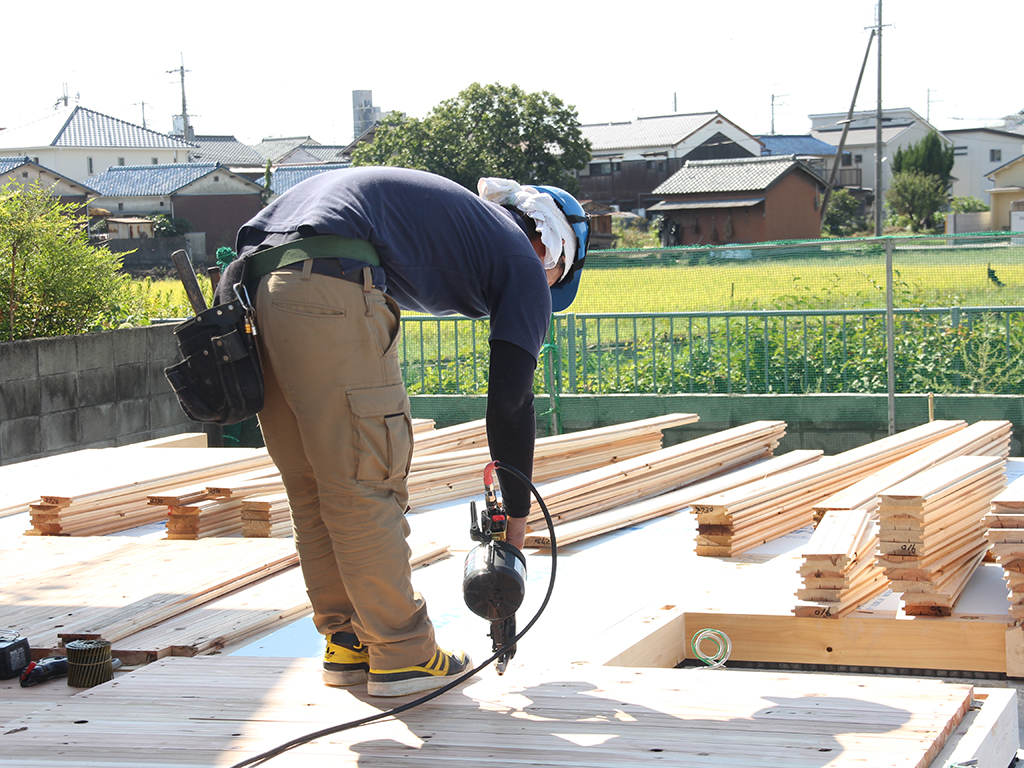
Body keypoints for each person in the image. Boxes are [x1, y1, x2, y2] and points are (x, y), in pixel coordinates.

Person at [216, 166, 590, 697]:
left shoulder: (454, 226)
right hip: (327, 283)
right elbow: (510, 402)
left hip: (257, 289)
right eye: (557, 278)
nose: (545, 291)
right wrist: (516, 525)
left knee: (316, 485)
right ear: (551, 247)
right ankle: (403, 653)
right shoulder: (521, 260)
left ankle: (349, 642)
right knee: (367, 475)